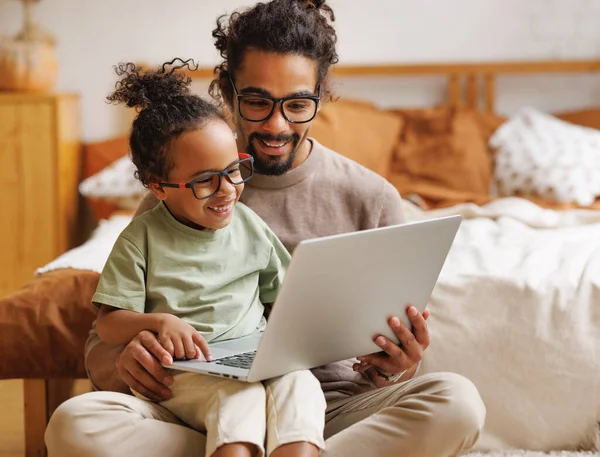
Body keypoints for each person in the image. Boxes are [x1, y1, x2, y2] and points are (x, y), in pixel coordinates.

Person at [45, 1, 486, 456]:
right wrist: (126, 364)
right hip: (200, 408)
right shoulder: (180, 192)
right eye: (257, 102)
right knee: (74, 424)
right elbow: (102, 341)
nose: (277, 125)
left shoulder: (372, 198)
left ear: (321, 95)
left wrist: (397, 365)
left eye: (297, 104)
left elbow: (394, 360)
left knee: (458, 403)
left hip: (329, 412)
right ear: (225, 92)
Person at [90, 60, 326, 457]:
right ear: (157, 187)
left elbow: (288, 298)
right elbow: (109, 326)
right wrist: (158, 321)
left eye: (233, 170)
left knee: (302, 388)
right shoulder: (141, 239)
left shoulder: (248, 224)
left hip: (257, 358)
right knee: (238, 401)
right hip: (188, 371)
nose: (227, 190)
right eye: (204, 181)